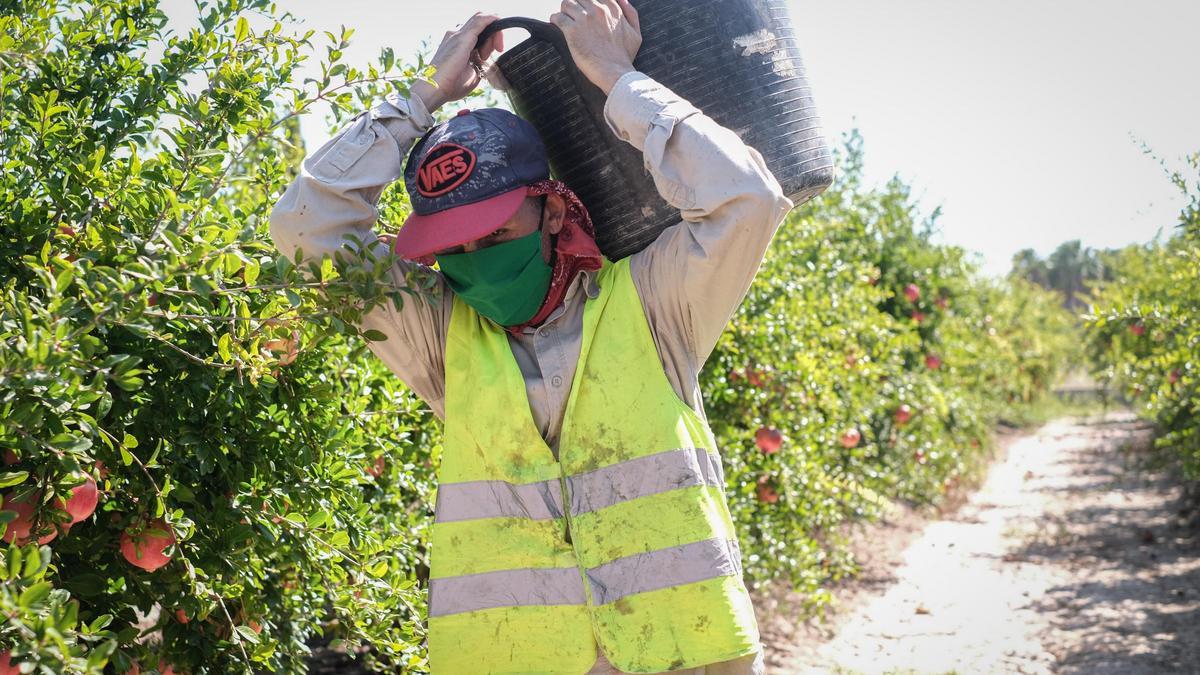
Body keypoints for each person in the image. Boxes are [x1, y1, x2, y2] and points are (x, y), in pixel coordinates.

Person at [269, 1, 793, 672]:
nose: (478, 259)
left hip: (685, 653)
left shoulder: (655, 303)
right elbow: (304, 230)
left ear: (551, 209)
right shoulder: (436, 334)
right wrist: (420, 97)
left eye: (497, 233)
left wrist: (613, 74)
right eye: (455, 247)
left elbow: (748, 198)